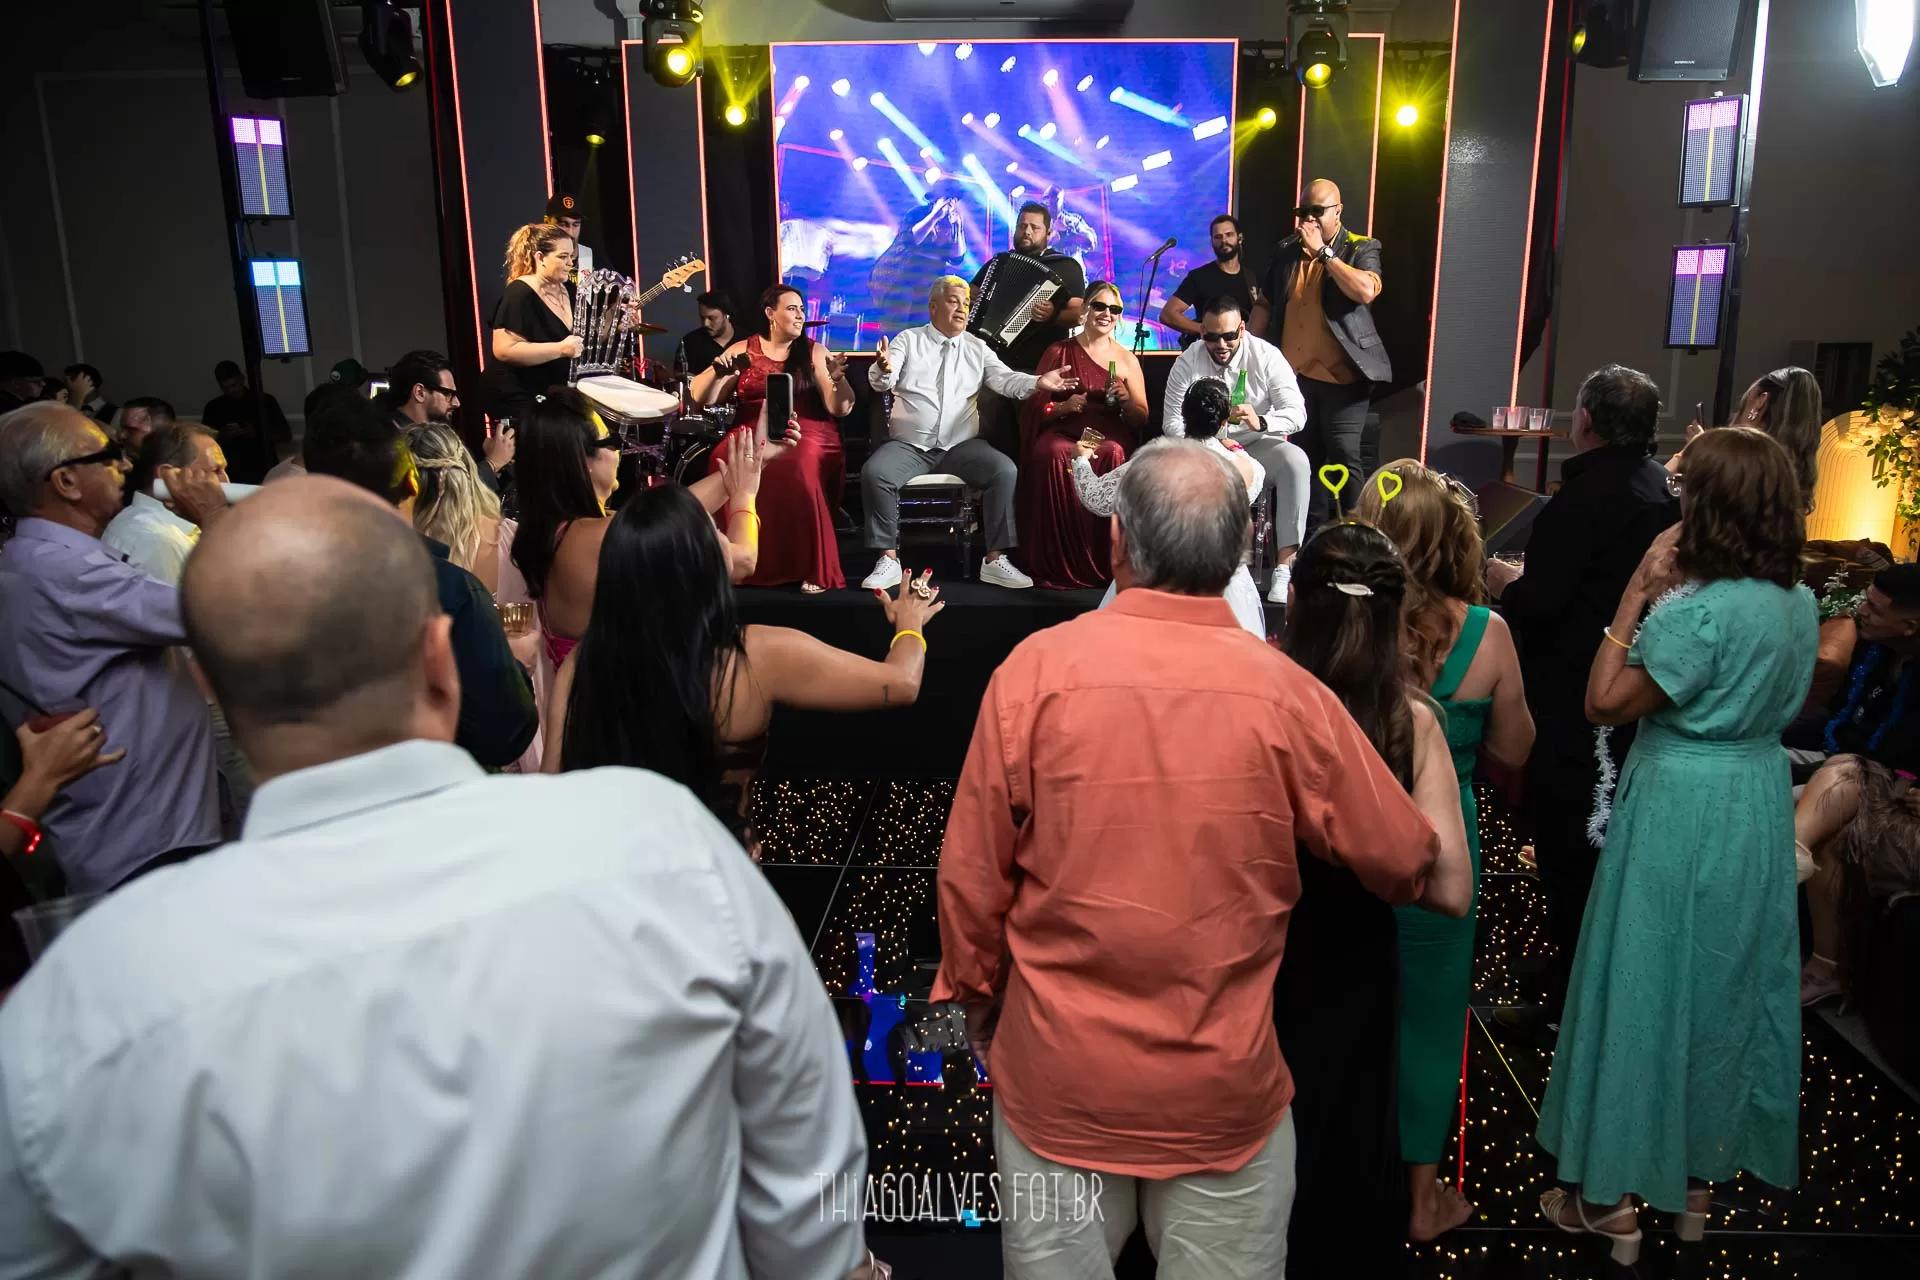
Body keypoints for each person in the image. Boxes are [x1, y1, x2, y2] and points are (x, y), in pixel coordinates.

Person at [0, 474, 878, 1278]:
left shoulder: (85, 994)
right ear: (439, 659)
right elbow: (806, 1169)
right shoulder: (666, 848)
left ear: (210, 682)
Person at [934, 439, 1448, 1280]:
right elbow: (1403, 859)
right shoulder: (1289, 695)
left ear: (1116, 543)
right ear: (1241, 550)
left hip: (1060, 1080)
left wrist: (979, 999)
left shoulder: (1033, 673)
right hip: (1221, 1094)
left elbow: (971, 876)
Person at [1534, 426, 1816, 1261]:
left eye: (1688, 489)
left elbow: (1603, 700)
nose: (1676, 499)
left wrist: (1635, 592)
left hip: (1681, 801)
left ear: (1714, 506)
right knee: (1722, 986)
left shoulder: (1700, 612)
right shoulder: (1797, 603)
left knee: (1645, 984)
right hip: (1753, 801)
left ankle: (1608, 1202)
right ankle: (1693, 1187)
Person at [1273, 519, 1477, 1273]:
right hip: (1357, 962)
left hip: (1259, 956)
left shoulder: (1261, 701)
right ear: (1397, 616)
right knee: (1346, 1142)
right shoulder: (1409, 722)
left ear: (1297, 604)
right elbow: (1452, 890)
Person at [542, 483, 942, 838]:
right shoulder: (756, 655)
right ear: (699, 564)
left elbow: (552, 790)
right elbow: (901, 683)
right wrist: (909, 623)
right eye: (715, 531)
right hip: (716, 874)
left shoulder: (584, 660)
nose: (725, 538)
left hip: (615, 879)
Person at [1359, 459, 1535, 1241]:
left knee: (1348, 1006)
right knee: (1433, 1021)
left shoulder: (1350, 627)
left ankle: (1340, 1175)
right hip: (1443, 846)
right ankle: (1422, 1201)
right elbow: (1516, 750)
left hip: (1353, 838)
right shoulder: (1489, 633)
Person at [1485, 364, 1678, 1032]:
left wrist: (1503, 581)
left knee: (1570, 846)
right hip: (1640, 690)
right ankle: (1577, 969)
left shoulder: (1582, 499)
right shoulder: (1663, 492)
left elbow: (1543, 605)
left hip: (1576, 696)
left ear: (1586, 421)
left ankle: (1572, 996)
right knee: (1600, 846)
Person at [0, 403, 225, 889]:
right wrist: (213, 515)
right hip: (146, 838)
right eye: (106, 456)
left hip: (124, 828)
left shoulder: (30, 560)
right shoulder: (68, 573)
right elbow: (226, 609)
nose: (124, 465)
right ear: (66, 482)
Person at [301, 388, 537, 770]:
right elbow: (504, 733)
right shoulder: (451, 590)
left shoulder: (291, 584)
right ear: (411, 483)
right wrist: (516, 669)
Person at [510, 390, 759, 667]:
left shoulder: (566, 533)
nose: (619, 452)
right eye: (612, 442)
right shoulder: (604, 537)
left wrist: (747, 468)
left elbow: (675, 512)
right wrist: (745, 497)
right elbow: (743, 560)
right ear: (582, 460)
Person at [863, 276, 1077, 593]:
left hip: (961, 447)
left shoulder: (977, 347)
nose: (962, 309)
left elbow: (1006, 380)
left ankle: (994, 560)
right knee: (875, 473)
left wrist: (1038, 382)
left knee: (1003, 470)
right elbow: (883, 378)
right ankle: (888, 559)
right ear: (933, 306)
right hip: (910, 446)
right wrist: (882, 368)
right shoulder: (908, 340)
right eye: (954, 301)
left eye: (966, 303)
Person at [1789, 563, 1920, 1007]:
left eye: (1874, 608)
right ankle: (1826, 968)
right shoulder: (1876, 653)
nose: (1860, 610)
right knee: (1800, 787)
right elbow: (1842, 725)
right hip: (1857, 782)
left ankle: (1789, 855)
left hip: (1899, 803)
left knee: (1843, 775)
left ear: (1910, 626)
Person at [689, 283, 854, 592]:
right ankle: (734, 557)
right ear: (770, 313)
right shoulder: (743, 349)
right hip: (751, 427)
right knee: (723, 457)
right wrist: (716, 371)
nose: (800, 315)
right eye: (792, 309)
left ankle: (810, 565)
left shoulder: (814, 351)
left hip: (805, 428)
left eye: (802, 309)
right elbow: (702, 397)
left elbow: (839, 408)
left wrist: (838, 380)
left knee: (799, 463)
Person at [1073, 378, 1267, 636]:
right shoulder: (1249, 468)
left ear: (1183, 415)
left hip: (1160, 576)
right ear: (1223, 422)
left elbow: (1096, 498)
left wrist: (1081, 461)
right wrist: (1233, 446)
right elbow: (1251, 469)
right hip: (1222, 580)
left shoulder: (1155, 462)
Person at [1252, 180, 1388, 528]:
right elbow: (1265, 303)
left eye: (1317, 211)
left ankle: (1354, 534)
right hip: (1296, 379)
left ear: (1338, 211)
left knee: (1343, 456)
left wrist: (1325, 254)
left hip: (1343, 379)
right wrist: (1249, 351)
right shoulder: (1286, 250)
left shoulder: (1360, 246)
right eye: (1303, 212)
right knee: (1303, 461)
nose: (1309, 219)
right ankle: (1308, 542)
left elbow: (1366, 291)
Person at [1162, 296, 1309, 603]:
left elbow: (1297, 413)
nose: (1221, 344)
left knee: (1295, 461)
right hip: (1204, 447)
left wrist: (1262, 421)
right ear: (1202, 331)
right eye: (1211, 337)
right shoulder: (1188, 360)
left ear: (1242, 329)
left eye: (1229, 336)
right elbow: (1171, 421)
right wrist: (1207, 440)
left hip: (1256, 442)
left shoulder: (1266, 356)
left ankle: (1285, 566)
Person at [1016, 280, 1148, 589]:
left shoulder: (1126, 359)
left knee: (1112, 452)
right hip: (1063, 429)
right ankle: (1055, 562)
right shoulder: (1058, 351)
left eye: (1114, 309)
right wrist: (1062, 407)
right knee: (1051, 453)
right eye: (1099, 306)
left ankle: (1104, 560)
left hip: (1104, 433)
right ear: (1085, 310)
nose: (1106, 314)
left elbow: (1141, 416)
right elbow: (1035, 406)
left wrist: (1125, 400)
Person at [1671, 366, 1822, 512]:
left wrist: (1697, 454)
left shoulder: (1731, 469)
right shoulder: (1792, 479)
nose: (1733, 417)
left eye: (1741, 407)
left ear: (1759, 403)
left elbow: (1663, 490)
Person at [102, 423, 229, 583]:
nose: (226, 480)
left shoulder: (138, 521)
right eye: (216, 471)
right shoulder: (160, 541)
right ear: (167, 475)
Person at [489, 223, 585, 421]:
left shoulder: (569, 289)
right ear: (540, 257)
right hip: (523, 397)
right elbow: (504, 350)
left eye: (571, 257)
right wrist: (560, 349)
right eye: (563, 257)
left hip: (556, 393)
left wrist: (617, 323)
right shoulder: (520, 294)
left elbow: (581, 340)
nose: (570, 263)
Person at [868, 192, 970, 335]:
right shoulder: (917, 214)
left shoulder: (950, 221)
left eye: (954, 199)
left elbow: (957, 258)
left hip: (927, 284)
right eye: (947, 198)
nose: (950, 203)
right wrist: (935, 215)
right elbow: (910, 240)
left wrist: (958, 227)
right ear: (935, 199)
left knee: (921, 329)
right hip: (901, 278)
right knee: (897, 327)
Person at [1159, 214, 1260, 344]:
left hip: (1243, 349)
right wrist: (1206, 331)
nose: (1224, 241)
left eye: (1229, 235)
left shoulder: (1251, 277)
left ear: (1239, 238)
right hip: (1209, 350)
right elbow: (1168, 314)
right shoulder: (1199, 276)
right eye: (1218, 237)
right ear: (1212, 241)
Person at [201, 359, 291, 485]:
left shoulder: (264, 401)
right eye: (225, 388)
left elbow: (285, 435)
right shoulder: (213, 408)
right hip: (230, 473)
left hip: (263, 469)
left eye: (234, 385)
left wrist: (257, 432)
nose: (231, 391)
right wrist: (223, 435)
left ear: (242, 379)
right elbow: (203, 442)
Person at [679, 290, 737, 376]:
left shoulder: (746, 340)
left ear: (726, 315)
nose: (706, 324)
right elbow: (681, 375)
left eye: (711, 318)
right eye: (702, 318)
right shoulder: (690, 341)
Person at [545, 189, 593, 275]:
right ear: (546, 222)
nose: (570, 233)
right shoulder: (536, 260)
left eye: (576, 225)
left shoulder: (593, 258)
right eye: (563, 224)